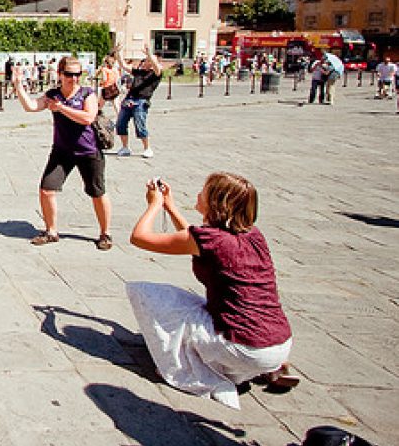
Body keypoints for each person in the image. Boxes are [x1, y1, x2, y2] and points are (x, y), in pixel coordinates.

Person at [126, 173, 298, 409]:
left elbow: (140, 238)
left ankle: (195, 370)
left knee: (150, 295)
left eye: (204, 191)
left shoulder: (210, 240)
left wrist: (154, 204)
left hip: (245, 347)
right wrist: (171, 206)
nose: (198, 194)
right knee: (199, 308)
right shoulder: (254, 236)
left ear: (217, 202)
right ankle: (262, 369)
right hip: (279, 343)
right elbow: (196, 242)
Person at [15, 56, 112, 250]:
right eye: (69, 74)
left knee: (97, 192)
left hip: (88, 150)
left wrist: (61, 108)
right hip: (62, 151)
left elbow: (88, 117)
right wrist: (18, 86)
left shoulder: (87, 93)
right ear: (60, 74)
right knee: (46, 189)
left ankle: (105, 233)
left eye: (77, 74)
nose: (74, 78)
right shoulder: (53, 94)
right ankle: (51, 231)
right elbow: (31, 106)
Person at [114, 43, 162, 158]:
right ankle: (125, 147)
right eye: (146, 60)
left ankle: (147, 148)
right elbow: (123, 65)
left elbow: (156, 67)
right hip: (129, 99)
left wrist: (150, 55)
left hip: (141, 101)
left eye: (149, 61)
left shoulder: (156, 74)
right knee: (120, 124)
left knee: (140, 125)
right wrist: (117, 53)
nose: (146, 62)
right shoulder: (139, 72)